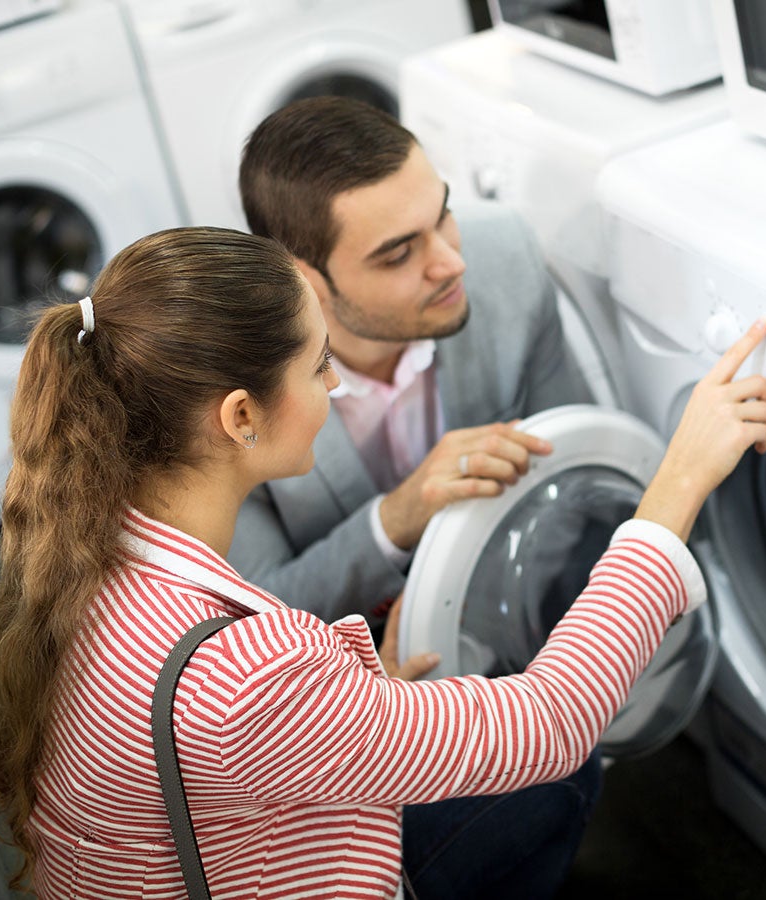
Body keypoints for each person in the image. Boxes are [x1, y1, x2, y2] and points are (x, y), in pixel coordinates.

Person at [0, 227, 766, 899]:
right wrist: (677, 485)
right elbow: (554, 724)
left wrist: (353, 706)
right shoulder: (243, 681)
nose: (334, 383)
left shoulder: (93, 550)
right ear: (241, 416)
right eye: (318, 365)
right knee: (556, 778)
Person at [231, 96, 595, 636]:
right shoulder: (230, 385)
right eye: (399, 254)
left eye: (443, 214)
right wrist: (397, 517)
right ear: (304, 281)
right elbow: (252, 623)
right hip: (346, 684)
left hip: (522, 618)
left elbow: (578, 468)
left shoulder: (507, 254)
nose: (453, 263)